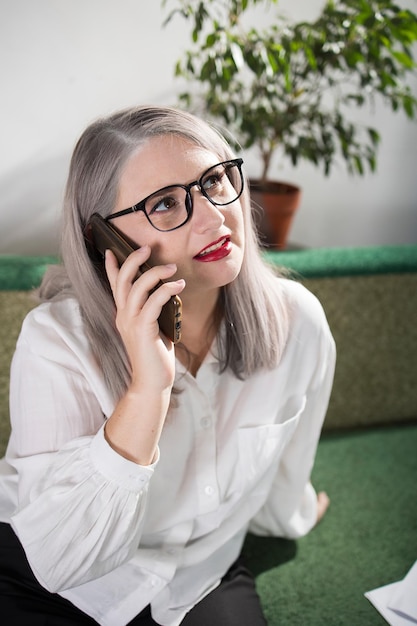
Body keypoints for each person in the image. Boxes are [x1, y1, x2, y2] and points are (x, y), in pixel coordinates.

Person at [0, 105, 335, 626]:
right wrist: (147, 392)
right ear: (104, 239)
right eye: (164, 203)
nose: (212, 216)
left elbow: (285, 476)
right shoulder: (55, 340)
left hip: (198, 574)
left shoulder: (300, 321)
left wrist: (293, 518)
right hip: (53, 576)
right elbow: (60, 561)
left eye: (216, 180)